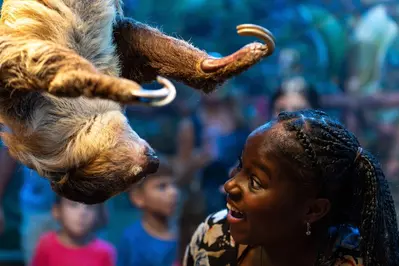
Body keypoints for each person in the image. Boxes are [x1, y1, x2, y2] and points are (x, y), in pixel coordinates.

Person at [184, 109, 399, 266]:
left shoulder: (355, 259)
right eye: (240, 166)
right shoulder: (212, 236)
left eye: (256, 181)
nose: (230, 185)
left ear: (313, 210)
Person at [117, 160, 178, 266]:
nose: (173, 192)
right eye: (162, 186)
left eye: (174, 185)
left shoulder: (186, 233)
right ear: (138, 197)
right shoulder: (131, 240)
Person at [31, 196, 115, 266]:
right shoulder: (46, 245)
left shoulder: (105, 252)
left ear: (98, 213)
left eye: (89, 206)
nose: (82, 213)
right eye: (73, 205)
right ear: (57, 210)